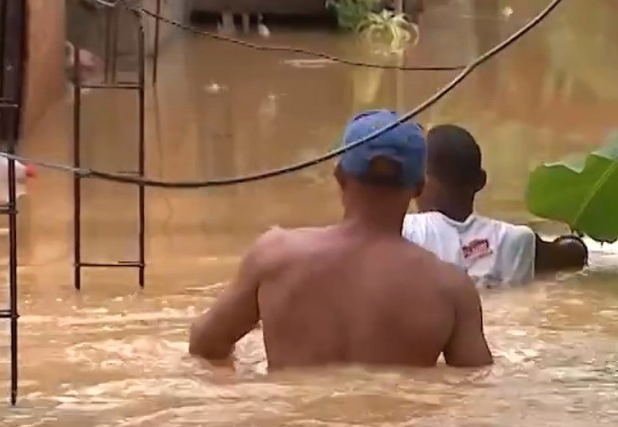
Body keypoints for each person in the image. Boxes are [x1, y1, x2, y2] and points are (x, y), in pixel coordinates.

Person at [189, 110, 493, 370]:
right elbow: (474, 385)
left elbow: (205, 345)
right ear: (418, 187)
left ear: (339, 175)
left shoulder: (274, 255)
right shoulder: (451, 289)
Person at [403, 124, 588, 287]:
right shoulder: (517, 240)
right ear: (481, 181)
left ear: (417, 183)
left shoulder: (404, 233)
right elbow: (576, 251)